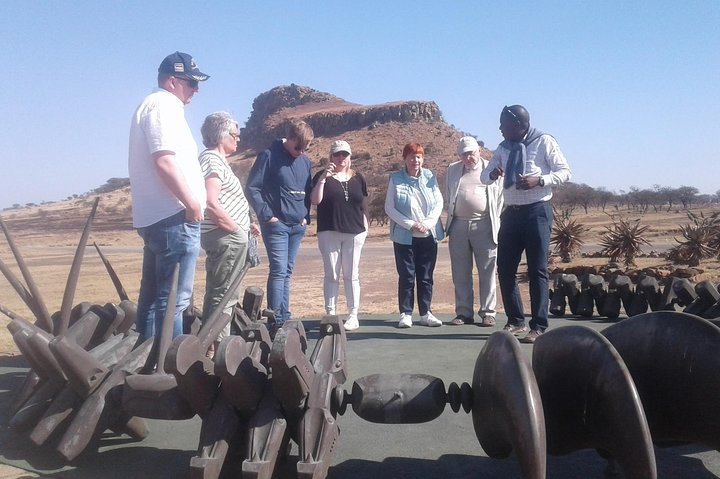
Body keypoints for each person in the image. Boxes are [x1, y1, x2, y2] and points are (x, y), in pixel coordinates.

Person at [128, 51, 209, 351]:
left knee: (153, 298)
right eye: (191, 83)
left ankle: (146, 365)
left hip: (158, 217)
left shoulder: (152, 106)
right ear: (173, 81)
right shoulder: (163, 107)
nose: (196, 90)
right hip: (174, 216)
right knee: (174, 299)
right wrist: (192, 203)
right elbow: (164, 161)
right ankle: (168, 371)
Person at [481, 105, 571, 343]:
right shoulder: (502, 148)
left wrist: (539, 180)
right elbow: (484, 175)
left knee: (537, 270)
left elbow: (564, 172)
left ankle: (539, 325)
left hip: (537, 212)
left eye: (503, 125)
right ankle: (515, 320)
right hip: (511, 214)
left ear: (519, 125)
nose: (500, 129)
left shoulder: (544, 142)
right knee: (505, 269)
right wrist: (492, 174)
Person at [198, 112, 260, 356]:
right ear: (221, 135)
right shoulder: (212, 160)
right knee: (225, 295)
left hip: (229, 235)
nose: (238, 140)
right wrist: (235, 230)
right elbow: (211, 203)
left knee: (219, 291)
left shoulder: (217, 161)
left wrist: (244, 226)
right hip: (226, 237)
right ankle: (219, 349)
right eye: (235, 135)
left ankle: (212, 344)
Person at [246, 120, 314, 330]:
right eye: (297, 147)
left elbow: (308, 190)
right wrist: (268, 216)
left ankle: (285, 316)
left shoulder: (305, 161)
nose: (300, 152)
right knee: (278, 270)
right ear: (290, 138)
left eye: (305, 148)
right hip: (276, 225)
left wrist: (306, 217)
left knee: (287, 271)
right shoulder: (268, 155)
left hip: (297, 225)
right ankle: (275, 321)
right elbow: (252, 188)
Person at [310, 140, 369, 331]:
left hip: (355, 232)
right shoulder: (321, 176)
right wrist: (323, 179)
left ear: (350, 157)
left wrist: (366, 226)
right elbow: (315, 201)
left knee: (351, 275)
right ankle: (331, 314)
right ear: (331, 156)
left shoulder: (358, 178)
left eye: (345, 154)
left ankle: (353, 315)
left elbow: (364, 205)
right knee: (332, 274)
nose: (341, 158)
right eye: (337, 154)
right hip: (329, 230)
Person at [445, 136, 503, 327]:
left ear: (479, 150)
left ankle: (488, 312)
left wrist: (496, 220)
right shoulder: (452, 170)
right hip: (458, 225)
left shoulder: (492, 168)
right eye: (464, 154)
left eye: (471, 153)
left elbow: (501, 197)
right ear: (459, 155)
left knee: (487, 270)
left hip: (484, 224)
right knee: (460, 272)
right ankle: (463, 312)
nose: (469, 158)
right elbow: (449, 196)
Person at [385, 143, 444, 328]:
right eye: (411, 156)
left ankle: (426, 313)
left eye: (418, 156)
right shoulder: (395, 178)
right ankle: (406, 313)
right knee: (407, 276)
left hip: (428, 235)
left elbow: (438, 203)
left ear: (423, 159)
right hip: (404, 237)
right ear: (405, 159)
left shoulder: (430, 176)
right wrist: (411, 224)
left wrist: (427, 223)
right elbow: (390, 207)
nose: (415, 160)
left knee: (426, 276)